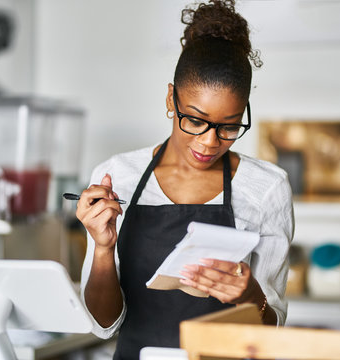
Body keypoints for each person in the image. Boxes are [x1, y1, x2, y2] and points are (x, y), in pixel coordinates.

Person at [76, 1, 294, 359]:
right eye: (194, 120)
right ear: (170, 100)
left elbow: (271, 330)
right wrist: (102, 248)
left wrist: (249, 294)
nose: (209, 142)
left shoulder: (266, 188)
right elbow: (103, 324)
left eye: (229, 126)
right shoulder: (117, 176)